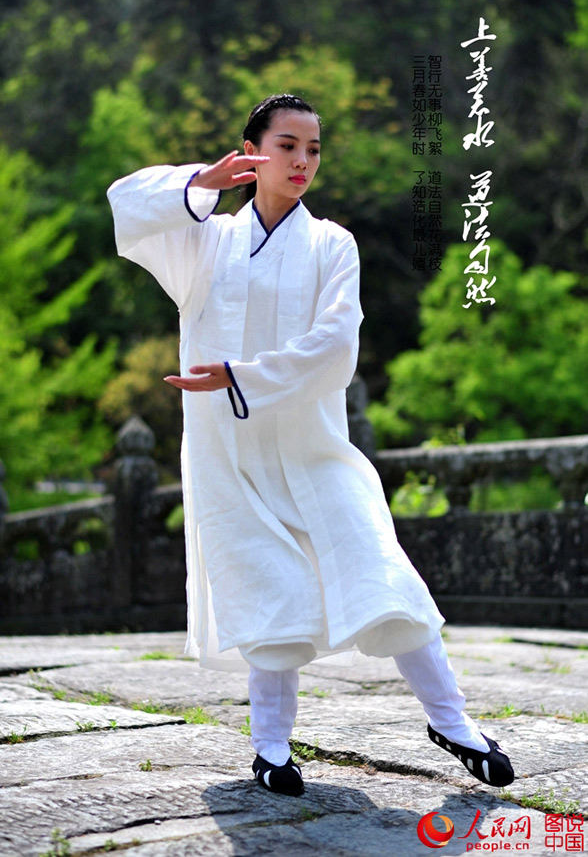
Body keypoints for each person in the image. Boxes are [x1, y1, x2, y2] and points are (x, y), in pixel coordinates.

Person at [107, 93, 514, 797]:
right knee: (268, 592)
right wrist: (202, 182)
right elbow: (126, 205)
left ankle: (453, 722)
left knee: (380, 568)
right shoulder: (206, 241)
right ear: (253, 150)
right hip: (229, 452)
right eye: (287, 145)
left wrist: (241, 375)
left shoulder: (333, 244)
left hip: (311, 447)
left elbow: (335, 348)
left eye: (313, 150)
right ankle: (270, 750)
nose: (302, 161)